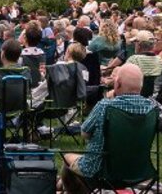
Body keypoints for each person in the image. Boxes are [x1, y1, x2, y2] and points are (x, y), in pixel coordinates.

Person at [62, 64, 156, 194]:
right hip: (139, 172)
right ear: (141, 85)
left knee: (67, 157)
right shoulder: (152, 108)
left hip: (102, 173)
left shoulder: (105, 106)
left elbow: (84, 133)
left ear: (117, 84)